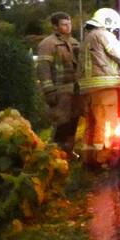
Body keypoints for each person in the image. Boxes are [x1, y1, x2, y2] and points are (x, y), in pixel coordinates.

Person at [77, 8, 120, 166]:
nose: (113, 31)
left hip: (88, 88)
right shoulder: (103, 34)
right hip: (104, 87)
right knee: (107, 124)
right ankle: (103, 158)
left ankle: (88, 159)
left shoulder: (87, 37)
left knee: (92, 124)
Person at [36, 12, 80, 153]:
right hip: (59, 91)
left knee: (73, 122)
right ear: (55, 27)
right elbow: (43, 69)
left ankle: (68, 151)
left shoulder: (74, 42)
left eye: (69, 24)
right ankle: (55, 153)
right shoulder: (47, 44)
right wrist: (49, 91)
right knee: (61, 123)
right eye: (64, 24)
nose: (68, 27)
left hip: (75, 90)